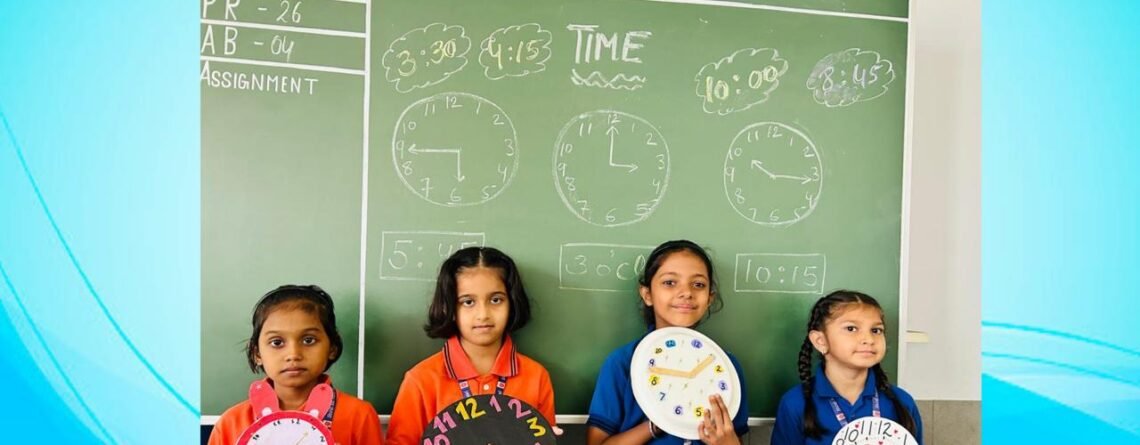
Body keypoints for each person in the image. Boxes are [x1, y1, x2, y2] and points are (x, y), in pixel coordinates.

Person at [385, 246, 557, 445]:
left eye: (496, 300)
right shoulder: (421, 380)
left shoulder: (535, 377)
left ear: (512, 303)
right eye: (468, 302)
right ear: (449, 307)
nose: (483, 314)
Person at [587, 240, 749, 445]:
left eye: (698, 284)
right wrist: (657, 424)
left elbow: (734, 439)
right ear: (647, 294)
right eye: (670, 282)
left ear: (709, 298)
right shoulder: (623, 362)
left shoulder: (726, 367)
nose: (686, 292)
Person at [208, 284, 383, 445]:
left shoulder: (359, 416)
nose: (293, 354)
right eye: (277, 342)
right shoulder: (231, 423)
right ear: (257, 353)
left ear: (332, 348)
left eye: (308, 340)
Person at [770, 290, 923, 445]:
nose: (869, 339)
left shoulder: (902, 402)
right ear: (820, 341)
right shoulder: (795, 403)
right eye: (851, 329)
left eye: (876, 330)